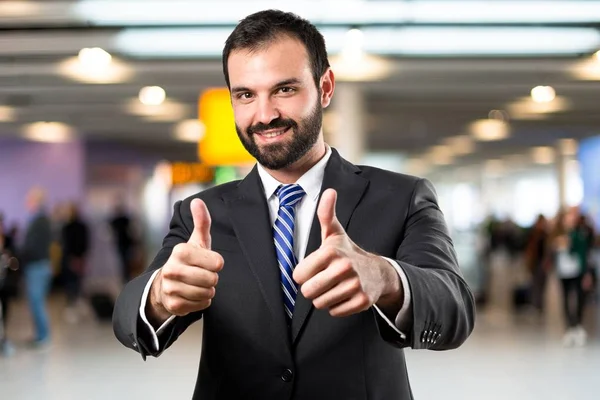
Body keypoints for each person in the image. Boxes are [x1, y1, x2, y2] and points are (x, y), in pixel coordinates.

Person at [113, 10, 475, 399]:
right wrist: (159, 296)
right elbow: (126, 319)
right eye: (246, 95)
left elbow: (454, 310)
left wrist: (385, 278)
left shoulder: (402, 197)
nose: (265, 115)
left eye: (285, 89)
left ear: (325, 87)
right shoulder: (201, 214)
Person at [21, 187, 53, 347]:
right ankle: (40, 335)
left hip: (38, 265)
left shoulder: (40, 221)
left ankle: (44, 337)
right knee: (35, 302)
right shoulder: (37, 220)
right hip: (36, 265)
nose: (27, 202)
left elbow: (34, 246)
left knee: (37, 301)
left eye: (29, 199)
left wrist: (21, 255)